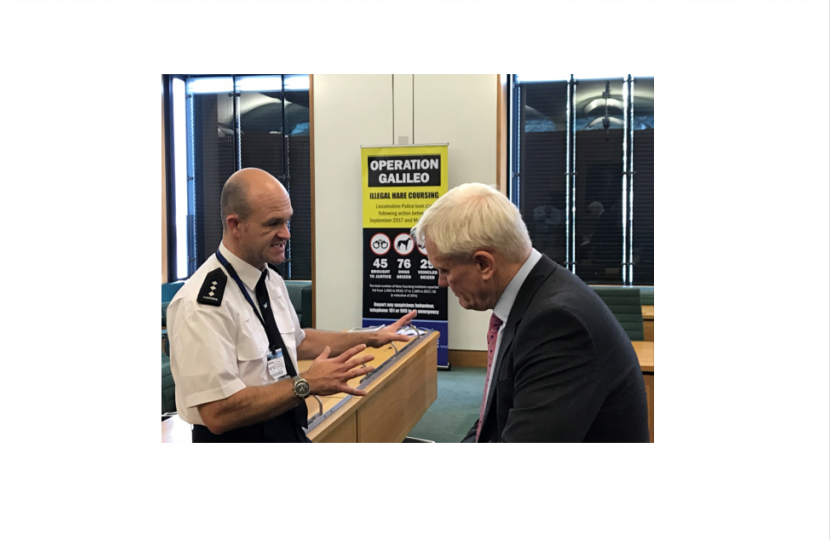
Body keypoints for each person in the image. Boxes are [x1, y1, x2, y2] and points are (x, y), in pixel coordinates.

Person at [168, 168, 417, 443]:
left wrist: (370, 337)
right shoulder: (202, 303)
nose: (285, 234)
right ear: (235, 225)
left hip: (286, 424)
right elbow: (218, 413)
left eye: (287, 221)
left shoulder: (269, 279)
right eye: (273, 223)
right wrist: (307, 383)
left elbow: (297, 343)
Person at [411, 183, 649, 442]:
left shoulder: (557, 324)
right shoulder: (537, 296)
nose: (441, 282)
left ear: (484, 264)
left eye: (445, 270)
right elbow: (493, 419)